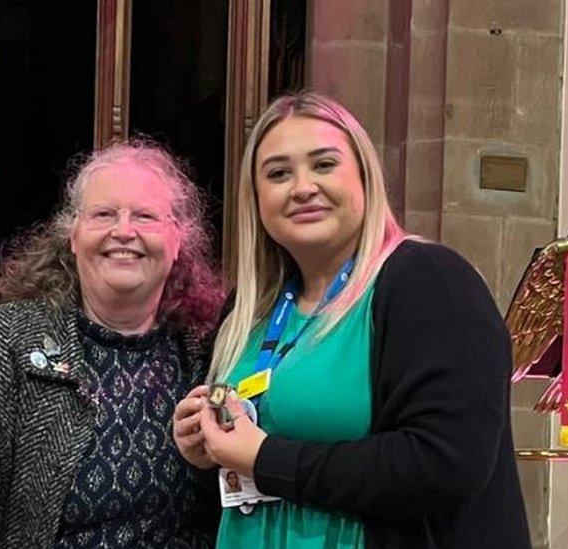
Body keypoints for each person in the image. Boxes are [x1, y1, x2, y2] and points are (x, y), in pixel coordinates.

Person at [173, 92, 530, 548]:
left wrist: (265, 458)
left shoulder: (426, 281)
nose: (302, 187)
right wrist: (205, 453)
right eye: (279, 174)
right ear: (257, 200)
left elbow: (446, 462)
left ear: (364, 177)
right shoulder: (250, 307)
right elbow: (246, 485)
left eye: (323, 165)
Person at [0, 141, 224, 548]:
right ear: (73, 236)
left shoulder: (211, 350)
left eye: (145, 216)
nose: (124, 231)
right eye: (103, 214)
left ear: (178, 239)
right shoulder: (0, 342)